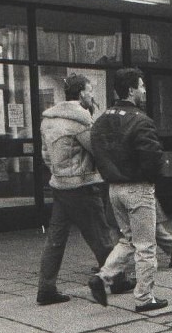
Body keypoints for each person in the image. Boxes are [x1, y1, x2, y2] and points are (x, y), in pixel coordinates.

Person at [36, 74, 134, 306]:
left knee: (55, 240)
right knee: (100, 235)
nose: (92, 95)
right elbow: (97, 149)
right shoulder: (80, 119)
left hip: (60, 185)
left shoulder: (48, 119)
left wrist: (59, 171)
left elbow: (45, 155)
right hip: (82, 185)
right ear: (81, 93)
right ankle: (117, 279)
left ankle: (46, 289)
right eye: (90, 91)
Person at [89, 68, 171, 312]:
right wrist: (154, 176)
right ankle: (145, 298)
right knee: (146, 246)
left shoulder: (102, 119)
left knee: (128, 240)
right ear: (132, 90)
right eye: (142, 86)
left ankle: (102, 277)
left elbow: (97, 152)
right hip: (138, 188)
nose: (144, 90)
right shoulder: (140, 119)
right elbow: (152, 157)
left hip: (114, 189)